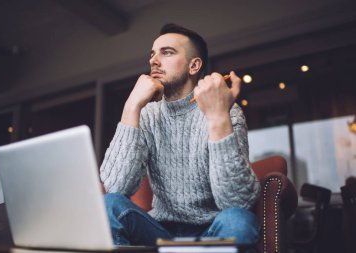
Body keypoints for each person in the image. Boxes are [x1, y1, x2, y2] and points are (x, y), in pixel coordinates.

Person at [100, 23, 261, 246]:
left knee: (239, 221)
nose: (153, 61)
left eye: (167, 53)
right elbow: (116, 188)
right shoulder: (147, 114)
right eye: (153, 54)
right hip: (158, 234)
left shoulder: (225, 109)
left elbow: (238, 201)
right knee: (108, 205)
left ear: (194, 66)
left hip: (211, 232)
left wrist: (217, 117)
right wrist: (132, 106)